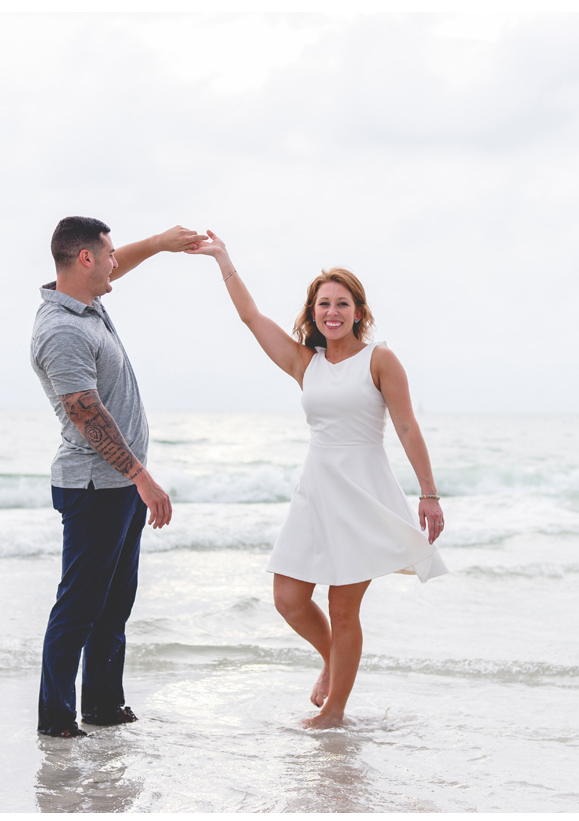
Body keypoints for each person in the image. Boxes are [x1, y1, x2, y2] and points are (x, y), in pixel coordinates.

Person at [187, 232, 451, 730]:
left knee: (344, 607)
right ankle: (333, 660)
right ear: (313, 312)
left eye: (342, 304)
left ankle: (334, 712)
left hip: (361, 491)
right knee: (288, 598)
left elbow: (408, 427)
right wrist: (223, 259)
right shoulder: (303, 362)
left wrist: (429, 494)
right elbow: (250, 317)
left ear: (359, 311)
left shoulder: (379, 360)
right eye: (323, 303)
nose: (333, 311)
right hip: (315, 492)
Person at [29, 217, 201, 739]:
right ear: (85, 259)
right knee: (79, 605)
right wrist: (142, 477)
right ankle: (56, 720)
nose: (113, 265)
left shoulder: (85, 303)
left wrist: (163, 244)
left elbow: (117, 262)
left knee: (114, 604)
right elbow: (87, 415)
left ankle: (102, 705)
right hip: (92, 485)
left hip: (118, 485)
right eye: (106, 256)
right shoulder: (61, 329)